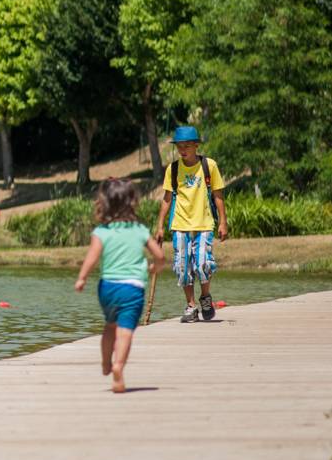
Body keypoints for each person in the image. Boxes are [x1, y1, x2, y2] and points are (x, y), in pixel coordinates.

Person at [73, 178, 166, 393]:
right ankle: (118, 367)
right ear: (132, 202)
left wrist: (82, 278)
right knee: (125, 331)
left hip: (108, 288)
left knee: (110, 325)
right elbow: (160, 256)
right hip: (133, 288)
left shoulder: (101, 232)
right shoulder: (140, 230)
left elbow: (92, 257)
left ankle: (106, 362)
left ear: (104, 203)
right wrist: (155, 268)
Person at [151, 125, 229, 323]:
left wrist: (223, 222)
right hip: (180, 224)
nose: (183, 149)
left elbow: (218, 195)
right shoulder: (173, 169)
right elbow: (167, 198)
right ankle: (191, 305)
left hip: (203, 224)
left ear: (196, 145)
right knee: (182, 267)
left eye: (187, 145)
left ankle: (205, 297)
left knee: (203, 263)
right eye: (179, 146)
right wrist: (160, 225)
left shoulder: (209, 166)